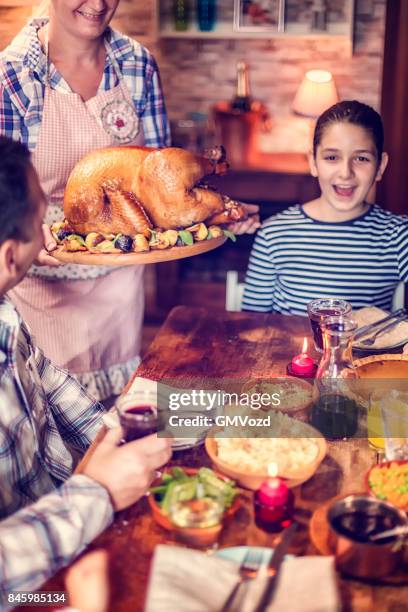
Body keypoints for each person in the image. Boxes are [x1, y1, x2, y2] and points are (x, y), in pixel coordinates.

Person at [0, 2, 260, 403]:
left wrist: (217, 216)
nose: (98, 3)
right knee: (50, 426)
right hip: (42, 296)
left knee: (112, 427)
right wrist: (36, 240)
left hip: (119, 294)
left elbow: (160, 183)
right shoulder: (13, 75)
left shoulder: (136, 64)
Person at [0, 137, 172, 605]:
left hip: (69, 536)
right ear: (10, 257)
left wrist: (156, 418)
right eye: (41, 223)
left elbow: (69, 403)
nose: (51, 236)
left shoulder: (6, 318)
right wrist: (97, 493)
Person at [242, 99, 408, 314]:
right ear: (313, 163)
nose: (345, 172)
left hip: (364, 349)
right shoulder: (274, 234)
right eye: (332, 157)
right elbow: (252, 324)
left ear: (380, 167)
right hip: (288, 348)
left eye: (361, 158)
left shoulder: (398, 236)